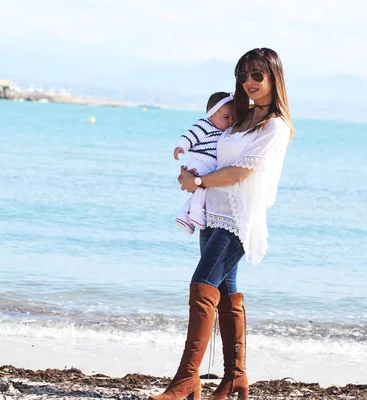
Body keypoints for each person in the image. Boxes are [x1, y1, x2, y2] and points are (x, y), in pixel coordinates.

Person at [150, 47, 294, 400]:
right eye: (243, 76)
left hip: (237, 220)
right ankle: (235, 379)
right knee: (226, 293)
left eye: (257, 75)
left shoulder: (274, 126)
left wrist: (198, 183)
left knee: (202, 285)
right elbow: (211, 152)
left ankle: (187, 379)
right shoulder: (240, 119)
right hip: (213, 216)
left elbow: (241, 171)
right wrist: (191, 172)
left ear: (274, 78)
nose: (249, 82)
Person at [174, 92, 234, 234]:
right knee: (202, 185)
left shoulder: (223, 130)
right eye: (226, 117)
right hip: (200, 161)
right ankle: (195, 213)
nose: (230, 121)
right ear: (211, 115)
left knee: (205, 189)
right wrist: (181, 147)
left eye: (233, 117)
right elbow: (189, 135)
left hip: (208, 165)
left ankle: (184, 215)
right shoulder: (204, 124)